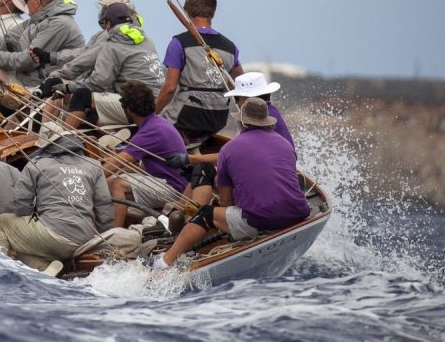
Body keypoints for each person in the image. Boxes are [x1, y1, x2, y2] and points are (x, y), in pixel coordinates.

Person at [154, 98, 310, 268]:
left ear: (241, 122)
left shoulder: (228, 149)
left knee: (206, 213)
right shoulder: (285, 143)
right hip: (299, 214)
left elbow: (225, 202)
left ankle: (165, 262)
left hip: (260, 220)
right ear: (267, 121)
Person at [0, 134, 113, 276]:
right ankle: (46, 269)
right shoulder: (95, 166)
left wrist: (31, 218)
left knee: (1, 221)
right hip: (84, 239)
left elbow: (21, 204)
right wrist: (101, 238)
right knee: (29, 245)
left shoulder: (37, 163)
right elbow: (104, 204)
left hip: (52, 235)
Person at [39, 3, 164, 129]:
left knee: (82, 96)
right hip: (159, 103)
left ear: (108, 24)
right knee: (92, 107)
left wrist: (67, 87)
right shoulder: (147, 41)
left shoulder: (113, 45)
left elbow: (98, 83)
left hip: (137, 106)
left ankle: (62, 139)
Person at [155, 0, 244, 142]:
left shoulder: (179, 43)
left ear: (187, 13)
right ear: (213, 13)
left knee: (154, 128)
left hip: (189, 114)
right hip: (219, 117)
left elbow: (170, 89)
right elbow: (241, 87)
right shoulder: (231, 47)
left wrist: (151, 114)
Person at [103, 80, 190, 227]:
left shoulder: (149, 131)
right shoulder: (157, 122)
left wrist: (90, 179)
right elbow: (133, 164)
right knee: (113, 180)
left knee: (116, 183)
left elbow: (118, 162)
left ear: (128, 110)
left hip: (174, 188)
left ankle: (115, 233)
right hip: (172, 182)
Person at [224, 71, 294, 149]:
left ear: (248, 99)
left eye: (237, 98)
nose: (236, 102)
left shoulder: (258, 118)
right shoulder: (270, 111)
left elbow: (240, 151)